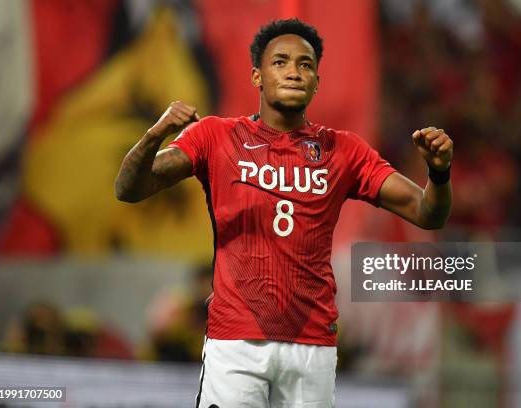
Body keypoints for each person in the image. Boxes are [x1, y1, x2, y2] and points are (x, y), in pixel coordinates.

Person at [115, 18, 452, 408]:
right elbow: (128, 189)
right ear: (257, 77)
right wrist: (155, 134)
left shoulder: (344, 151)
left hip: (311, 345)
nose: (294, 71)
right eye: (281, 62)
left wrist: (439, 173)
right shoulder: (216, 137)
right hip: (235, 342)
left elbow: (428, 213)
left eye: (306, 65)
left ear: (317, 82)